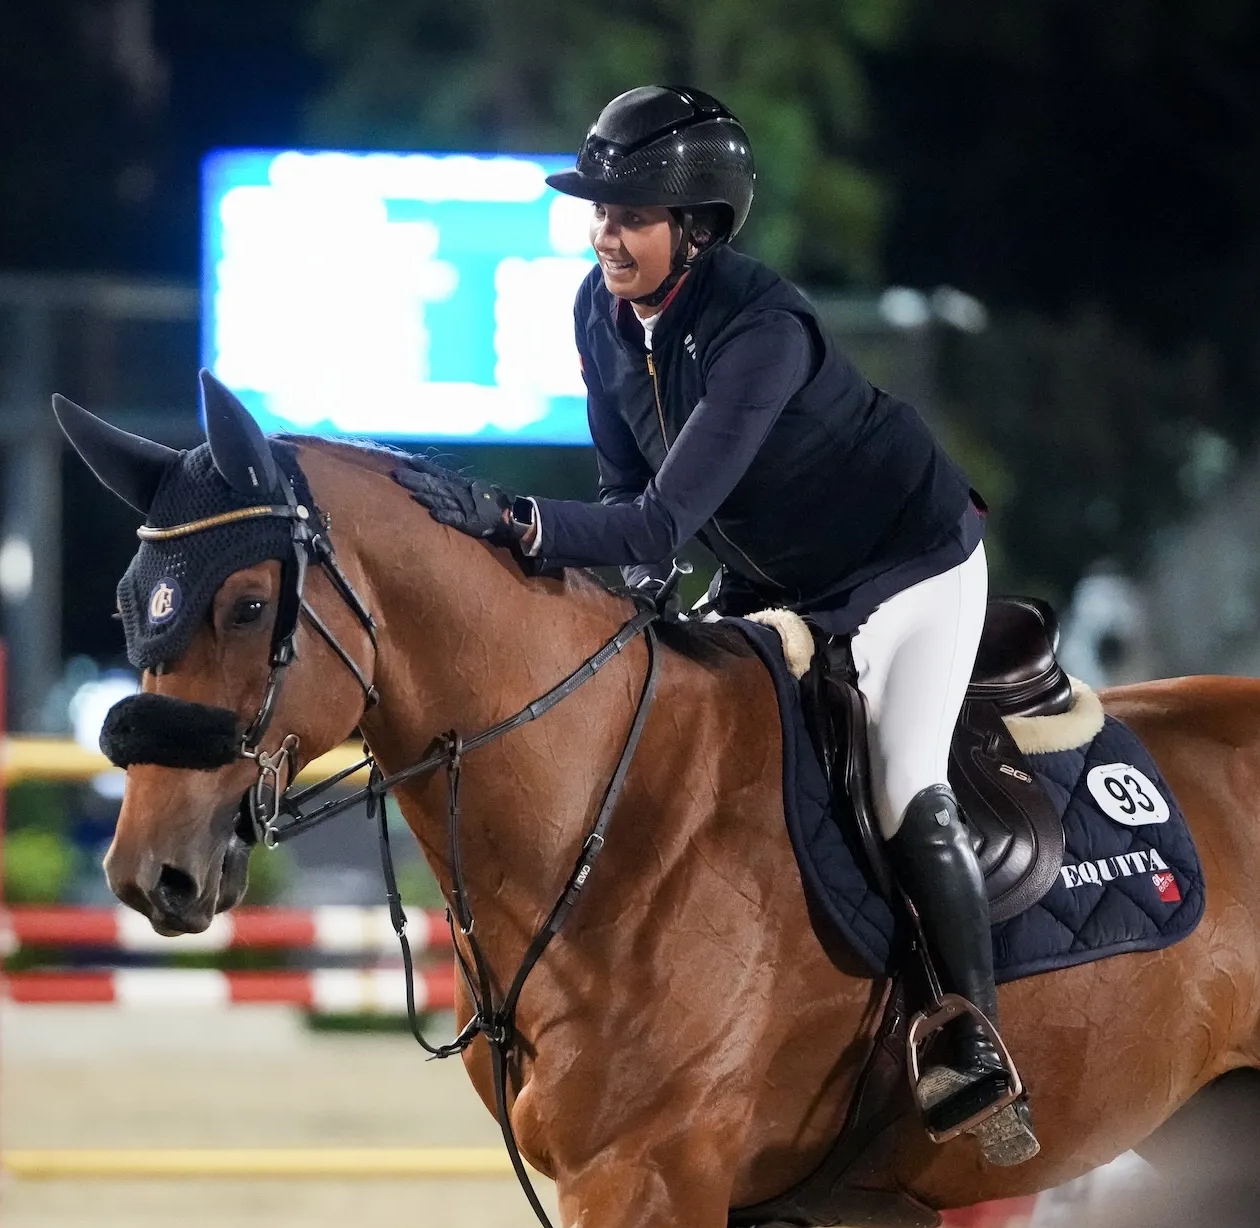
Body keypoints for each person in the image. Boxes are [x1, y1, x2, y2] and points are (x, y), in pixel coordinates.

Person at [395, 84, 1027, 1160]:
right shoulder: (598, 313)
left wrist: (508, 518)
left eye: (630, 215)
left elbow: (658, 518)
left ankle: (972, 1036)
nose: (605, 235)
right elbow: (625, 497)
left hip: (905, 565)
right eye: (599, 212)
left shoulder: (760, 332)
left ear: (695, 226)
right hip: (770, 574)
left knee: (899, 777)